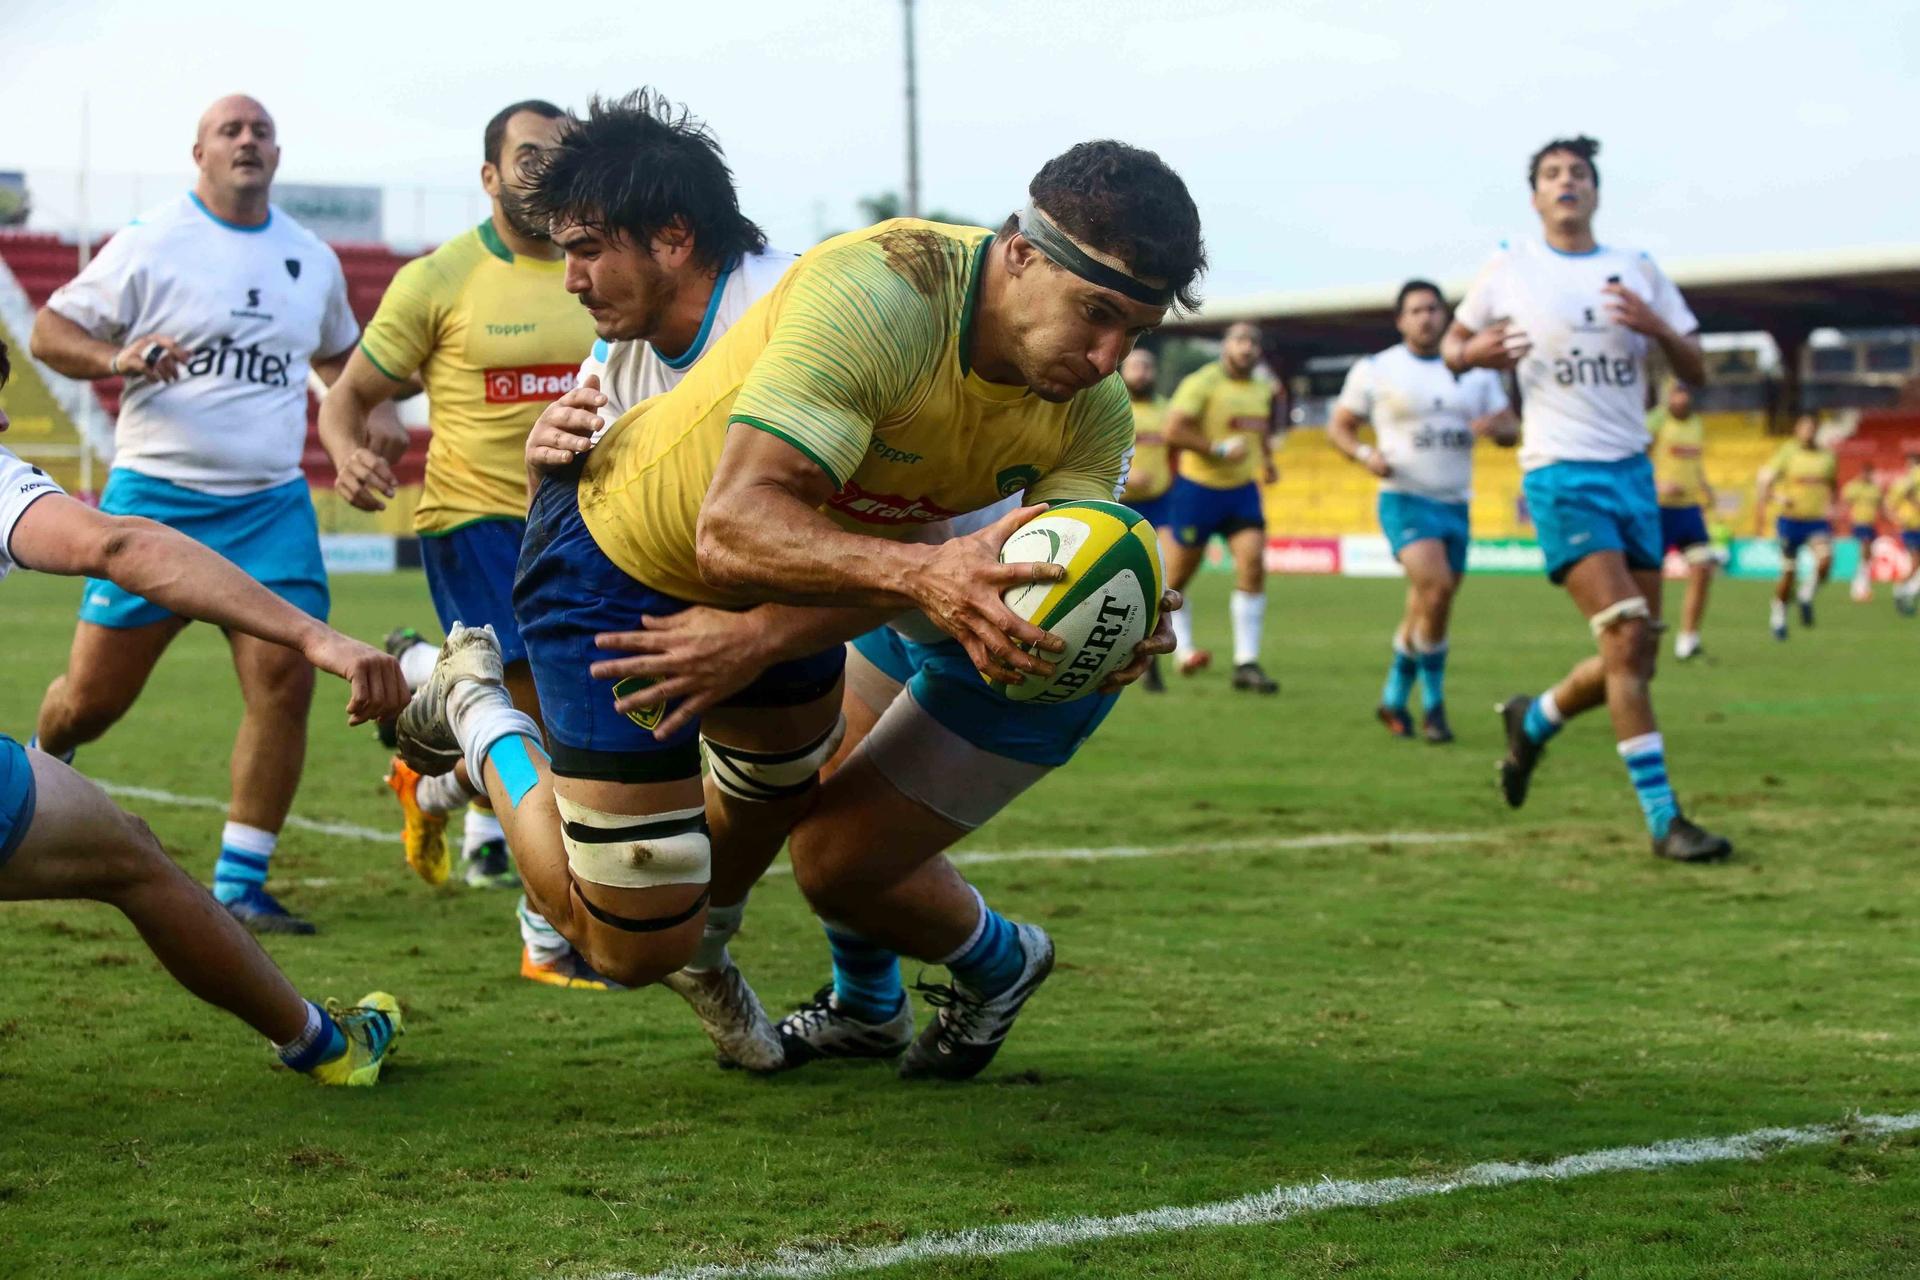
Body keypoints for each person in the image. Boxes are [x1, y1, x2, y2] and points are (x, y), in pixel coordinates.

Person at [394, 140, 1200, 1082]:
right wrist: (919, 578)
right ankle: (478, 710)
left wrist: (1119, 619)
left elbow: (1037, 581)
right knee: (632, 946)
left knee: (786, 821)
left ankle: (788, 977)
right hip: (624, 562)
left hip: (813, 586)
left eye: (1133, 335)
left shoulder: (1091, 408)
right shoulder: (877, 294)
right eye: (1096, 315)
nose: (1111, 360)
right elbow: (735, 526)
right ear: (1018, 251)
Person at [0, 339, 406, 1085]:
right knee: (134, 856)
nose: (1, 419)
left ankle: (243, 873)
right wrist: (317, 636)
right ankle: (332, 1049)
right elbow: (120, 542)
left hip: (263, 498)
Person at [26, 95, 361, 933]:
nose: (248, 142)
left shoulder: (310, 257)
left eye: (261, 132)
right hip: (158, 503)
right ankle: (44, 764)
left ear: (277, 154)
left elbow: (342, 363)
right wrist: (119, 356)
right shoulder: (152, 239)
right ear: (199, 153)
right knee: (92, 701)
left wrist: (361, 430)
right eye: (231, 131)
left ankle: (241, 884)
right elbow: (47, 331)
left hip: (271, 503)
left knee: (284, 680)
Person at [317, 99, 622, 991]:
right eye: (525, 157)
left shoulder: (608, 269)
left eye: (558, 156)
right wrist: (349, 454)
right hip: (477, 522)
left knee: (555, 727)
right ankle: (547, 936)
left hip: (591, 522)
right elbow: (349, 395)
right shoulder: (437, 280)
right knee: (550, 727)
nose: (540, 171)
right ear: (488, 175)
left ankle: (430, 764)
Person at [1444, 134, 1731, 863]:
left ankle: (1532, 721)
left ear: (1595, 192)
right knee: (1629, 638)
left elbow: (1697, 366)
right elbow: (1453, 346)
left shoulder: (1635, 270)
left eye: (1578, 172)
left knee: (1633, 660)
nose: (1566, 181)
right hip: (1559, 473)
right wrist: (1472, 354)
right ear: (1535, 195)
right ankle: (1666, 822)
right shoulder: (1509, 268)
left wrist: (1658, 327)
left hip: (1633, 475)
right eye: (1551, 173)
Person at [1329, 279, 1515, 742]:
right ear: (1401, 320)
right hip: (1404, 497)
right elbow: (1341, 425)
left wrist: (1498, 425)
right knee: (1435, 589)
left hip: (1456, 503)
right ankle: (1434, 707)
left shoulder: (1477, 370)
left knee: (1432, 603)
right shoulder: (1377, 369)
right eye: (1415, 310)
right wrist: (1364, 455)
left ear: (1446, 316)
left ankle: (1393, 697)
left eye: (1433, 309)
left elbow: (1511, 429)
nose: (1426, 317)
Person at [1159, 321, 1280, 692]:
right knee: (1178, 579)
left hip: (1242, 490)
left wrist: (1269, 461)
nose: (1247, 347)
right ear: (1226, 346)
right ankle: (1179, 649)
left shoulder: (1262, 387)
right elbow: (1173, 429)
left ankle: (1246, 662)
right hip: (1199, 489)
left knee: (1254, 563)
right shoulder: (1203, 382)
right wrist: (1216, 448)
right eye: (1240, 340)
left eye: (1254, 341)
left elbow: (1258, 431)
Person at [1647, 380, 1717, 660]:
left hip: (1689, 509)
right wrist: (1656, 486)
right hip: (1658, 509)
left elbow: (1694, 464)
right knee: (1647, 577)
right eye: (1676, 392)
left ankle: (1688, 639)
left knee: (1703, 567)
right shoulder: (1655, 421)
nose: (1681, 398)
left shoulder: (1697, 424)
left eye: (1685, 392)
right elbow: (1633, 457)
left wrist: (1705, 486)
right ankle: (1641, 635)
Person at [1754, 413, 1837, 640]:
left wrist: (1832, 506)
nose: (1808, 431)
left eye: (1812, 427)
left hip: (1816, 520)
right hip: (1791, 521)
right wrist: (1779, 498)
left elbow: (1833, 484)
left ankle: (1806, 594)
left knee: (1826, 561)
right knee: (1788, 573)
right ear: (1797, 430)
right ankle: (1778, 616)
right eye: (1804, 427)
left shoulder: (1827, 457)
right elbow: (1764, 483)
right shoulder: (1787, 452)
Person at [1119, 347, 1173, 691]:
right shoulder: (1110, 406)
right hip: (1118, 508)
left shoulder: (1167, 410)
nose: (1142, 372)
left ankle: (1152, 660)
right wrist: (1126, 477)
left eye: (1148, 366)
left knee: (1163, 582)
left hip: (1162, 504)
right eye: (1136, 365)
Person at [1840, 466, 1884, 602]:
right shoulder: (1854, 486)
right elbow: (1845, 500)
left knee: (1868, 555)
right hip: (1859, 523)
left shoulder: (1875, 489)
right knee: (1865, 552)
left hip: (1871, 524)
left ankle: (1862, 586)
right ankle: (1859, 588)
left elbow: (1880, 506)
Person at [1886, 442, 1920, 616]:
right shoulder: (1908, 481)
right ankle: (1901, 592)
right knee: (1915, 564)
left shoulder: (1906, 481)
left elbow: (1890, 503)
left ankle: (1906, 593)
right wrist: (1898, 518)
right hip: (1913, 527)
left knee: (1916, 564)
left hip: (1911, 525)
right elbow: (1890, 504)